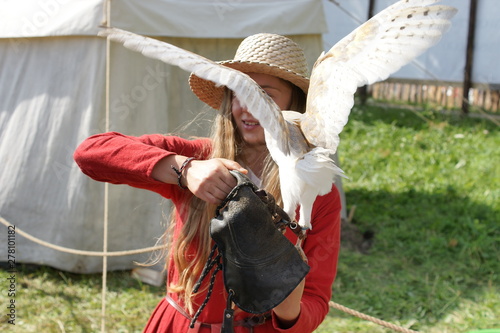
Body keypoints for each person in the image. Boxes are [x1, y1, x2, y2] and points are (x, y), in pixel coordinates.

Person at [74, 33, 341, 333]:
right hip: (179, 325)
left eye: (265, 94)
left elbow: (316, 300)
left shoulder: (317, 191)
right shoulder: (199, 156)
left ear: (294, 103)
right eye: (241, 92)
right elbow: (90, 153)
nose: (249, 107)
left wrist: (289, 306)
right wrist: (185, 170)